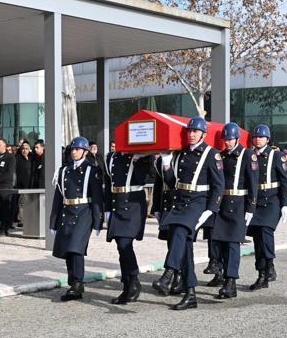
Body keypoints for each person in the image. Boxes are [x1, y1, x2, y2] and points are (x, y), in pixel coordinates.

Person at [151, 117, 224, 310]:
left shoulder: (211, 154)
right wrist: (166, 163)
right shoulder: (180, 154)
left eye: (195, 131)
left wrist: (211, 209)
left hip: (198, 203)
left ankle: (168, 274)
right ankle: (190, 293)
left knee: (181, 232)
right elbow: (171, 181)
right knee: (184, 247)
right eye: (189, 131)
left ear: (203, 134)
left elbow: (218, 185)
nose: (191, 134)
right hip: (180, 201)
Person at [206, 123, 258, 299]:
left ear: (237, 138)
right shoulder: (220, 155)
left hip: (239, 204)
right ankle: (219, 271)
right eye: (225, 139)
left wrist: (251, 207)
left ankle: (231, 282)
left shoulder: (247, 155)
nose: (227, 142)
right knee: (217, 240)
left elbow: (253, 184)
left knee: (233, 245)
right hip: (221, 203)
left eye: (230, 139)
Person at [49, 137, 103, 301]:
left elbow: (97, 198)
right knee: (66, 249)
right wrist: (53, 221)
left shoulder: (92, 170)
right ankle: (73, 283)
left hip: (83, 212)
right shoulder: (64, 171)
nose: (74, 152)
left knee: (75, 248)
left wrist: (98, 221)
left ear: (85, 152)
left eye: (77, 149)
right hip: (67, 211)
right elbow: (58, 197)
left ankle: (77, 282)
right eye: (72, 149)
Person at [103, 148, 151, 304]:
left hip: (133, 203)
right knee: (120, 246)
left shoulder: (141, 157)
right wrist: (108, 209)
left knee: (125, 244)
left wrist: (139, 159)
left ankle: (133, 279)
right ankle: (128, 283)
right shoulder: (110, 157)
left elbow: (143, 178)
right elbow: (108, 183)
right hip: (117, 204)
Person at [247, 125, 287, 291]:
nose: (257, 139)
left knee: (265, 232)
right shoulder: (249, 155)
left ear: (267, 139)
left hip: (272, 201)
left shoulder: (277, 155)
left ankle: (264, 274)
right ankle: (267, 266)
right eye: (255, 137)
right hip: (255, 201)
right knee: (258, 237)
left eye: (261, 137)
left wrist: (285, 204)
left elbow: (286, 181)